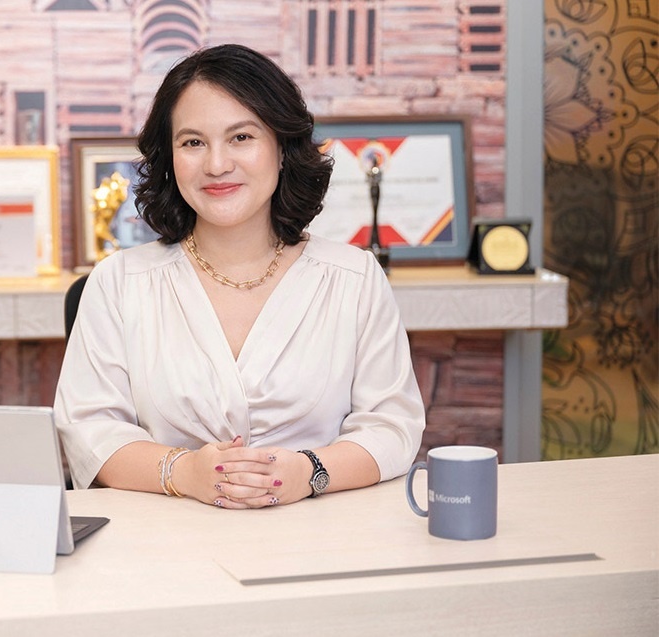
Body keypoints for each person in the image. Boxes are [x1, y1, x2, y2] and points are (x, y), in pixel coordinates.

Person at [54, 44, 425, 509]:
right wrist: (184, 472)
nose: (216, 165)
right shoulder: (118, 283)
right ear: (169, 158)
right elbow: (90, 430)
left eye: (241, 137)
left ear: (282, 148)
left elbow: (392, 425)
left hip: (322, 531)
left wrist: (309, 472)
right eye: (193, 143)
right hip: (164, 537)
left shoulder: (354, 279)